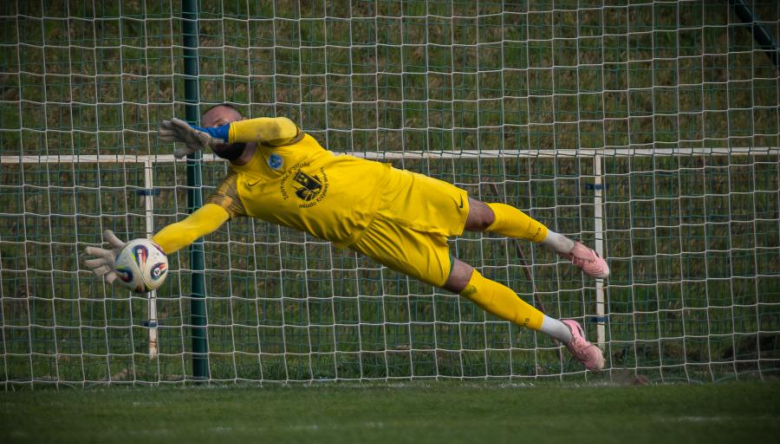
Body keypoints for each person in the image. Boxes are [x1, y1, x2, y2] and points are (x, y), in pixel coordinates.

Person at [84, 104, 609, 371]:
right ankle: (566, 333)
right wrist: (152, 247)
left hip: (393, 190)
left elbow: (276, 122)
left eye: (226, 122)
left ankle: (569, 248)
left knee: (480, 216)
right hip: (370, 237)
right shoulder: (237, 192)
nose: (218, 129)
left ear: (242, 124)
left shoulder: (282, 137)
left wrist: (219, 134)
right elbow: (196, 224)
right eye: (211, 127)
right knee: (462, 281)